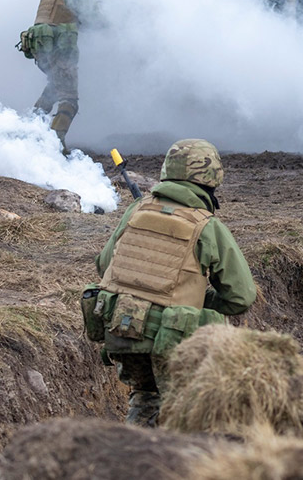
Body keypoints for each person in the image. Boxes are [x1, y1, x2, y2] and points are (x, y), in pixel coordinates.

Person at [88, 139, 257, 426]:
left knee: (145, 398)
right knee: (188, 411)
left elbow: (104, 265)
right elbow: (241, 296)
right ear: (212, 179)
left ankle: (130, 459)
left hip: (122, 329)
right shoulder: (207, 225)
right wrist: (197, 296)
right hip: (173, 335)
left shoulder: (137, 210)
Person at [18, 0, 105, 153]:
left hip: (39, 45)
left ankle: (28, 132)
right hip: (59, 47)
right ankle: (55, 145)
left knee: (54, 89)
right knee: (69, 100)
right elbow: (95, 18)